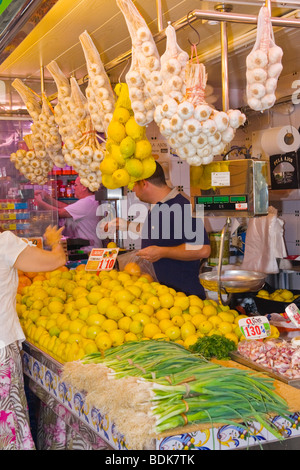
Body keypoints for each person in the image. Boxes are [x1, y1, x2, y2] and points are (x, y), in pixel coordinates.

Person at [0, 225, 66, 450]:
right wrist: (55, 240)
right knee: (7, 423)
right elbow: (56, 261)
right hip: (0, 347)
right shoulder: (5, 243)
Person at [103, 162, 211, 298]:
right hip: (164, 296)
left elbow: (203, 249)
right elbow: (157, 233)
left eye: (133, 185)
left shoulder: (183, 206)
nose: (133, 190)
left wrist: (162, 252)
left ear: (144, 183)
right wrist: (125, 225)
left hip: (184, 296)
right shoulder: (158, 205)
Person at [34, 177, 102, 252]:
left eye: (75, 185)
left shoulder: (87, 202)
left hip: (89, 250)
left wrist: (39, 202)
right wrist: (47, 197)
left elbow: (60, 213)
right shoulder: (90, 200)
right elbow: (66, 208)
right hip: (89, 248)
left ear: (84, 187)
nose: (73, 188)